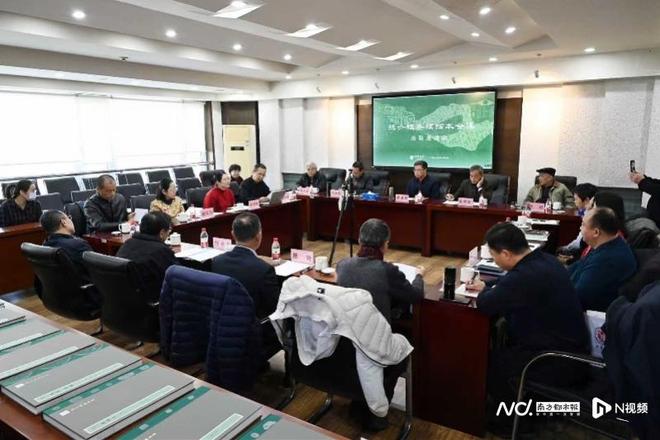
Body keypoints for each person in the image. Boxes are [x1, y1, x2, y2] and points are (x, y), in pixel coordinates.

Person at [468, 223, 589, 431]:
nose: (495, 262)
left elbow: (486, 304)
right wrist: (489, 286)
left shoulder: (523, 276)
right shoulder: (545, 259)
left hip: (556, 359)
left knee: (492, 363)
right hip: (570, 346)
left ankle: (513, 424)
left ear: (506, 254)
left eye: (494, 256)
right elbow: (509, 287)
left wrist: (484, 291)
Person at [211, 212, 280, 363]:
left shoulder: (217, 261)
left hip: (222, 327)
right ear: (258, 236)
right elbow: (275, 307)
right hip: (253, 333)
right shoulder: (263, 270)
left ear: (233, 234)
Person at [337, 218, 424, 323]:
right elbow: (415, 296)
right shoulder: (387, 271)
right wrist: (419, 276)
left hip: (348, 327)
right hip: (377, 329)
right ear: (385, 244)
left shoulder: (342, 265)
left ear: (359, 241)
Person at [569, 207, 637, 312]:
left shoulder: (608, 260)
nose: (580, 228)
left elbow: (578, 297)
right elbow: (573, 269)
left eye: (583, 225)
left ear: (596, 232)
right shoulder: (607, 246)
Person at [116, 212, 177, 303]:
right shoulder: (160, 250)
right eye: (169, 231)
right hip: (150, 301)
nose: (169, 234)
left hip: (122, 299)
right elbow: (176, 276)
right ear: (161, 233)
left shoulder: (128, 243)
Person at [41, 210, 94, 283]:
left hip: (57, 288)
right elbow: (96, 270)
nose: (71, 220)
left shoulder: (45, 245)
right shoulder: (78, 245)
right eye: (69, 218)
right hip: (86, 287)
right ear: (63, 222)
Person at [557, 182, 598, 261]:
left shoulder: (590, 216)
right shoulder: (586, 212)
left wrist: (565, 248)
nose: (574, 202)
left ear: (586, 200)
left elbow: (579, 242)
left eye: (576, 199)